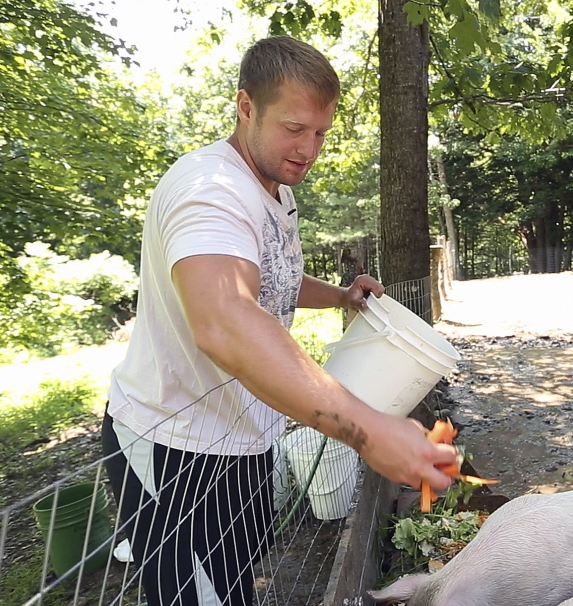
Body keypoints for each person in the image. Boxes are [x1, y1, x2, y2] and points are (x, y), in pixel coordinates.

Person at [100, 36, 457, 606]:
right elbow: (225, 319)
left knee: (237, 584)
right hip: (173, 449)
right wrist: (364, 429)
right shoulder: (209, 192)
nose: (309, 149)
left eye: (320, 133)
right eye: (294, 128)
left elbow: (270, 283)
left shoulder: (276, 191)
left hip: (244, 441)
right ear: (246, 107)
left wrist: (340, 297)